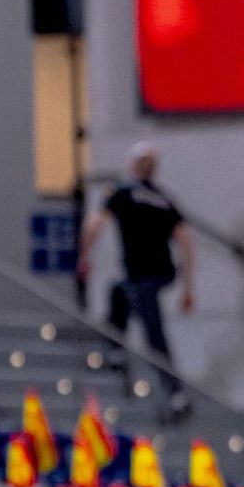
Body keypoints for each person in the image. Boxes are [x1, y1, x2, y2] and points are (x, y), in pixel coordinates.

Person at [78, 144, 193, 407]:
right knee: (118, 291)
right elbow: (185, 242)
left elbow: (94, 223)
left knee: (153, 331)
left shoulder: (123, 192)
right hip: (159, 272)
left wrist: (84, 257)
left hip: (144, 275)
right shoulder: (163, 198)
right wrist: (187, 287)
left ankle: (174, 390)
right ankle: (116, 349)